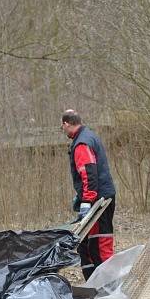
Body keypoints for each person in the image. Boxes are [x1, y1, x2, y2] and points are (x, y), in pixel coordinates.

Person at [61, 109, 116, 280]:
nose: (63, 130)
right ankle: (93, 285)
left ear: (66, 124)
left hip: (99, 201)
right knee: (86, 245)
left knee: (99, 244)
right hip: (100, 197)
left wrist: (87, 200)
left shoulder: (81, 143)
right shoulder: (88, 136)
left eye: (62, 127)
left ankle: (107, 288)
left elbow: (89, 173)